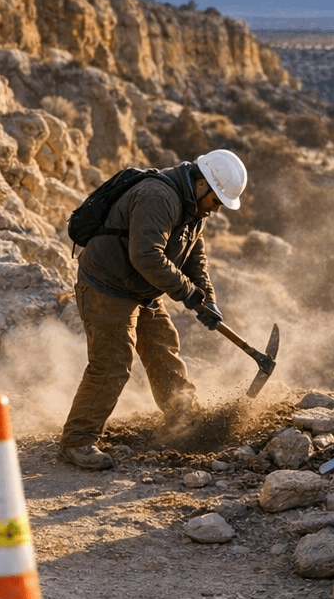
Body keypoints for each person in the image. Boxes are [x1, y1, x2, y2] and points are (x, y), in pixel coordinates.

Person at [59, 149, 248, 470]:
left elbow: (194, 256)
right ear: (202, 183)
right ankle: (77, 440)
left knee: (162, 347)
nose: (216, 209)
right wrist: (187, 293)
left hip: (141, 288)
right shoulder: (158, 197)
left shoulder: (194, 208)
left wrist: (207, 298)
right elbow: (146, 255)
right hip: (107, 285)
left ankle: (183, 417)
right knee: (113, 363)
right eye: (216, 201)